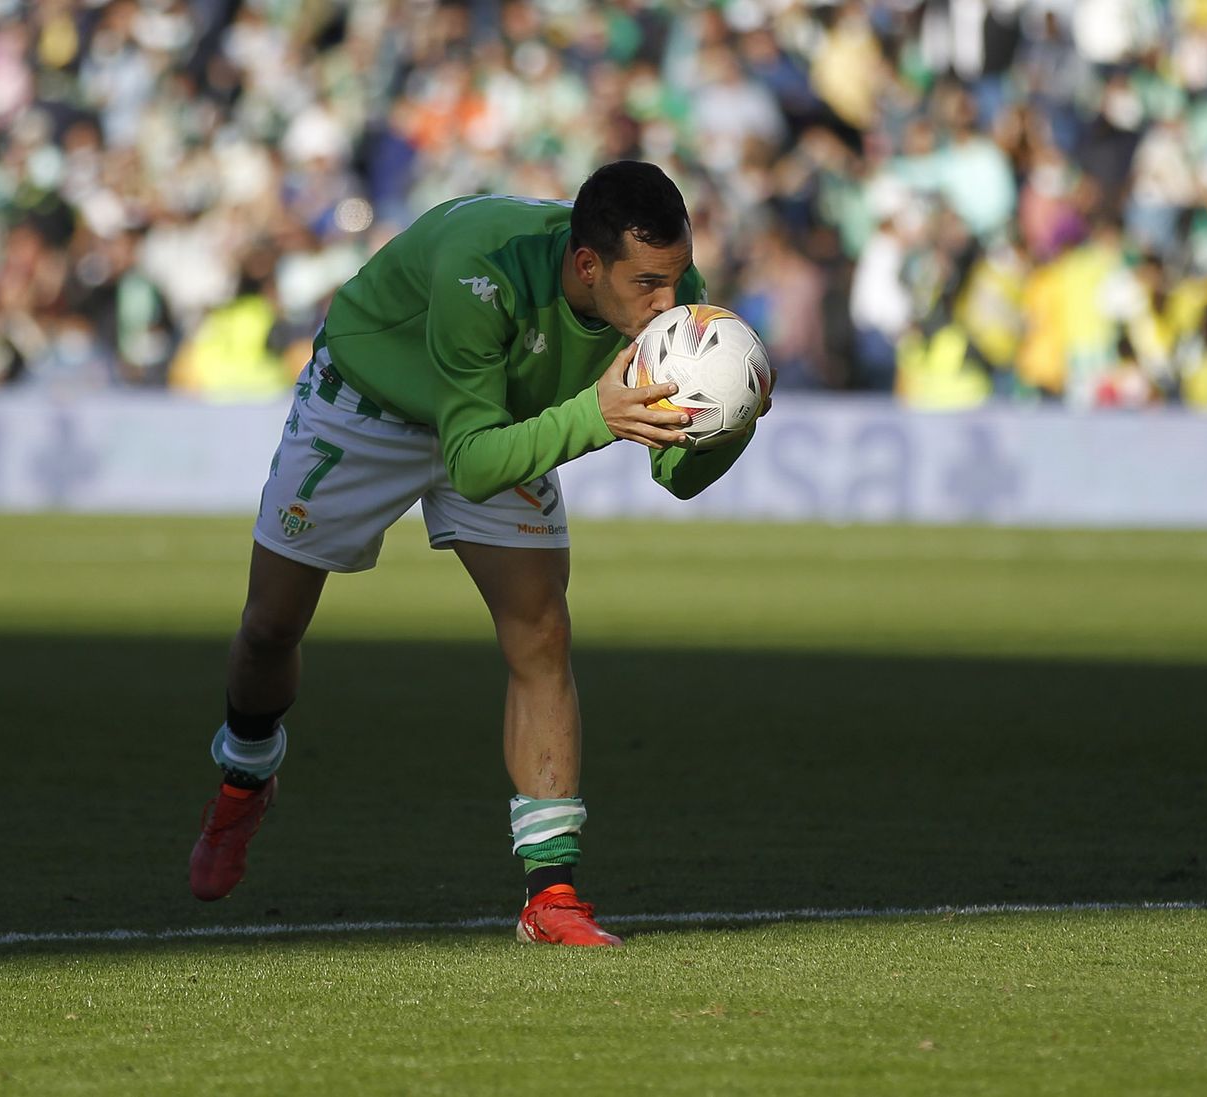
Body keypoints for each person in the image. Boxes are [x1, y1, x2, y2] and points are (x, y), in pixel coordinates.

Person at [187, 161, 772, 947]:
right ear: (588, 265)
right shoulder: (481, 267)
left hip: (509, 416)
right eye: (649, 286)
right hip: (370, 406)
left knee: (542, 631)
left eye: (676, 278)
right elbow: (471, 461)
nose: (670, 304)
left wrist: (732, 422)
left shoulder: (668, 290)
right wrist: (596, 418)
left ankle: (551, 894)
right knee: (269, 627)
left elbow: (676, 475)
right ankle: (245, 774)